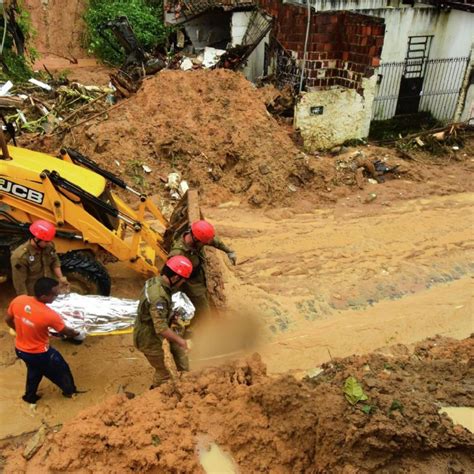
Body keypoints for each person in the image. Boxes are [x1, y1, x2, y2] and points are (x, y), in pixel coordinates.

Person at [5, 277, 85, 403]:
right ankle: (70, 392)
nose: (57, 296)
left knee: (34, 370)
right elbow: (66, 331)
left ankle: (29, 397)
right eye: (54, 295)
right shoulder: (49, 315)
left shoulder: (19, 300)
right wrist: (78, 333)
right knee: (61, 369)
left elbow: (8, 320)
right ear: (43, 296)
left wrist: (19, 330)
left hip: (20, 350)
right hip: (40, 353)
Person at [133, 255, 193, 388]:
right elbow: (161, 328)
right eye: (182, 280)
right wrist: (182, 342)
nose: (182, 284)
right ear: (176, 277)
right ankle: (154, 397)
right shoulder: (159, 297)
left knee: (173, 360)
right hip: (148, 338)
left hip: (147, 329)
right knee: (164, 373)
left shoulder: (155, 282)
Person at [168, 220, 236, 319]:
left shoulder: (196, 239)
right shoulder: (178, 254)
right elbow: (170, 279)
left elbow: (213, 241)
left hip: (200, 280)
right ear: (196, 239)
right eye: (203, 243)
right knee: (204, 316)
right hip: (192, 288)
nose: (206, 244)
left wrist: (229, 251)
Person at [10, 220, 69, 296]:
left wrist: (61, 278)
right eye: (46, 241)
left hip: (48, 290)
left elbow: (55, 261)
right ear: (37, 239)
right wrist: (25, 300)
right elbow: (19, 283)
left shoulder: (48, 246)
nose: (48, 243)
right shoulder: (20, 257)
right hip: (34, 294)